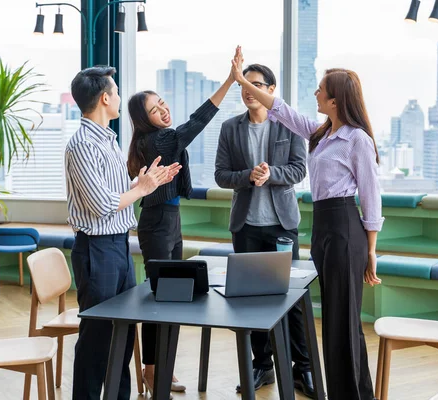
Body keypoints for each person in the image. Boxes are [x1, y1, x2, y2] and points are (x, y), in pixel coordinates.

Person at [231, 48, 384, 400]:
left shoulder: (357, 139)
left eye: (320, 90)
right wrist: (241, 80)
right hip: (325, 229)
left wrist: (372, 250)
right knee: (333, 320)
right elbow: (280, 110)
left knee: (343, 323)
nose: (315, 93)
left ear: (335, 99)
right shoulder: (322, 134)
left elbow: (371, 196)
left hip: (345, 227)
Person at [126, 48, 239, 397]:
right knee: (162, 295)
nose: (163, 110)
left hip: (169, 219)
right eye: (154, 109)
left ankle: (159, 367)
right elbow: (198, 121)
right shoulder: (159, 138)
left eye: (162, 103)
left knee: (170, 295)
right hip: (158, 222)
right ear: (143, 120)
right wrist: (231, 81)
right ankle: (152, 370)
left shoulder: (159, 138)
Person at [65, 65, 181, 400]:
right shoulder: (84, 144)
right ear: (104, 98)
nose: (118, 97)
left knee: (124, 334)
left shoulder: (108, 140)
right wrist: (142, 188)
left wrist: (146, 183)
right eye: (115, 92)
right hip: (97, 250)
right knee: (98, 338)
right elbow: (102, 205)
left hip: (118, 246)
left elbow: (114, 194)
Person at [214, 63, 315, 398]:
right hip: (246, 228)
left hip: (282, 226)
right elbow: (221, 175)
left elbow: (300, 169)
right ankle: (262, 365)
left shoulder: (288, 124)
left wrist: (271, 174)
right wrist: (248, 176)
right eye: (244, 84)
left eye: (255, 84)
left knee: (292, 299)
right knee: (250, 300)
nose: (248, 90)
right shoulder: (230, 128)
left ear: (271, 90)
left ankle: (304, 369)